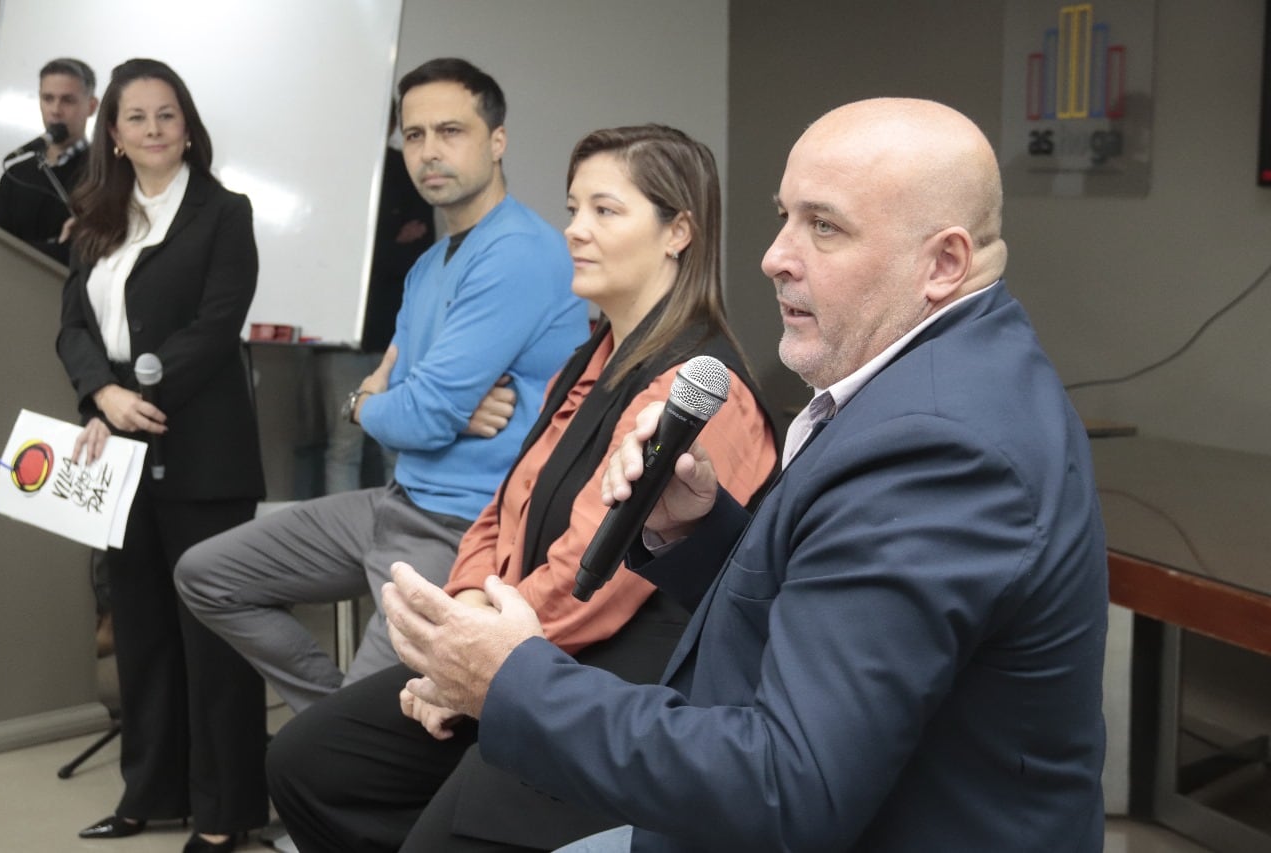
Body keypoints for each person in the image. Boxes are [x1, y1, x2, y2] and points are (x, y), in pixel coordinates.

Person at [376, 98, 1109, 852]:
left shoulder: (937, 448)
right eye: (784, 216)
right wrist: (697, 529)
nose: (775, 256)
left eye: (823, 226)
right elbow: (831, 598)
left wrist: (511, 680)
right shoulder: (943, 367)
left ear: (944, 263)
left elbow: (786, 786)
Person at [266, 123, 779, 853]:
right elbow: (503, 506)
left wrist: (464, 660)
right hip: (524, 643)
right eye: (573, 209)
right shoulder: (590, 355)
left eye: (605, 210)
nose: (575, 230)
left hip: (616, 685)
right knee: (307, 761)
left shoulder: (700, 390)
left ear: (678, 232)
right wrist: (469, 606)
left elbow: (589, 579)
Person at [175, 58, 588, 713]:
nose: (428, 151)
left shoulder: (519, 252)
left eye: (450, 131)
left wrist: (373, 405)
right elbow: (409, 400)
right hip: (398, 498)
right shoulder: (428, 266)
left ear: (497, 140)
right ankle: (340, 718)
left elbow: (416, 411)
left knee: (341, 745)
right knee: (207, 574)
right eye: (414, 135)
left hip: (464, 524)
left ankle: (342, 736)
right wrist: (385, 403)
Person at [56, 58, 268, 853]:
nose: (152, 130)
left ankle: (226, 810)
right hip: (114, 448)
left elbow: (216, 327)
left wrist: (137, 394)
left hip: (201, 453)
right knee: (141, 630)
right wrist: (100, 397)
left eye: (166, 115)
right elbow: (73, 326)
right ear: (112, 132)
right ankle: (152, 792)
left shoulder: (225, 212)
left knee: (213, 640)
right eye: (136, 117)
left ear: (188, 126)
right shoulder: (96, 217)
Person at [316, 100, 436, 495]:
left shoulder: (410, 173)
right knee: (343, 443)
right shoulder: (335, 173)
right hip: (338, 335)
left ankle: (391, 527)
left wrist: (379, 249)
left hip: (397, 335)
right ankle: (338, 534)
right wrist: (390, 243)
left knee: (394, 444)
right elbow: (333, 254)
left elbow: (421, 254)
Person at [0, 57, 98, 263]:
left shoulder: (104, 173)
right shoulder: (16, 174)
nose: (55, 110)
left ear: (91, 106)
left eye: (67, 100)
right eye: (48, 98)